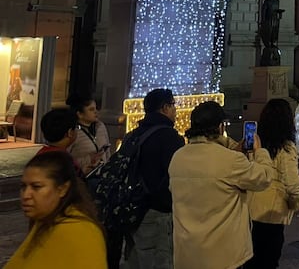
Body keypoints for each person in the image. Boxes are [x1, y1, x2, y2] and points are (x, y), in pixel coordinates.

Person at [169, 100, 274, 269]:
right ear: (220, 127)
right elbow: (264, 178)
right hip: (223, 257)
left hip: (187, 253)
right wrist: (260, 152)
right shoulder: (231, 161)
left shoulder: (178, 157)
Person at [5, 150, 106, 268]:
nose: (26, 195)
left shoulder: (79, 232)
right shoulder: (44, 220)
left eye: (36, 187)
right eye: (23, 186)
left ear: (62, 189)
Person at [125, 88, 185, 269]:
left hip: (133, 209)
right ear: (165, 107)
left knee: (137, 260)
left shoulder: (132, 136)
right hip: (158, 212)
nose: (175, 110)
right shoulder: (170, 137)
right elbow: (175, 175)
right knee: (161, 260)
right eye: (174, 105)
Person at [245, 98, 299, 269]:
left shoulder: (256, 144)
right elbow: (292, 182)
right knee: (269, 259)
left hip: (251, 208)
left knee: (252, 258)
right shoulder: (285, 148)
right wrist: (296, 200)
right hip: (273, 210)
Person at [66, 94, 111, 179]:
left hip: (102, 177)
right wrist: (89, 159)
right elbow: (67, 159)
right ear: (80, 114)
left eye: (96, 108)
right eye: (91, 109)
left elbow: (107, 153)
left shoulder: (100, 126)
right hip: (84, 178)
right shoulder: (73, 132)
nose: (96, 112)